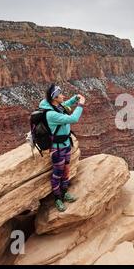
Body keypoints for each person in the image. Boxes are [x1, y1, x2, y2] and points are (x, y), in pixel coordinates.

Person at [39, 84, 86, 212]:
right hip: (57, 149)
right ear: (54, 97)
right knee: (57, 174)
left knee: (66, 171)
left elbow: (65, 104)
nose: (63, 95)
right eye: (60, 94)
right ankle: (57, 199)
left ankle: (64, 193)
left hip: (66, 145)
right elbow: (73, 118)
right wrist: (80, 104)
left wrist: (74, 99)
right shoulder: (51, 114)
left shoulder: (56, 106)